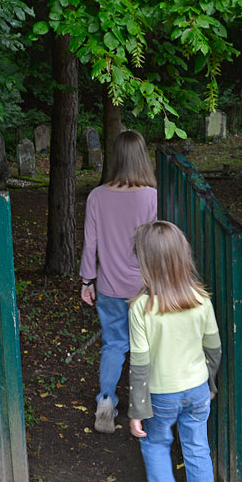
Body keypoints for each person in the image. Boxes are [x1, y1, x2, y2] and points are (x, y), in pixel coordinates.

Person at [126, 221, 222, 482]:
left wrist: (136, 409)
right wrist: (209, 382)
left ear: (146, 263)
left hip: (160, 396)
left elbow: (140, 363)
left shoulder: (141, 307)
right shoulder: (200, 298)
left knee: (155, 445)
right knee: (198, 452)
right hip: (196, 391)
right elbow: (214, 348)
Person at [79, 130, 157, 434]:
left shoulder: (97, 196)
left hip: (109, 287)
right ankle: (144, 408)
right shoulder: (153, 197)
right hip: (144, 287)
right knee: (146, 347)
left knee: (114, 345)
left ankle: (106, 401)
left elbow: (90, 244)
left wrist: (88, 280)